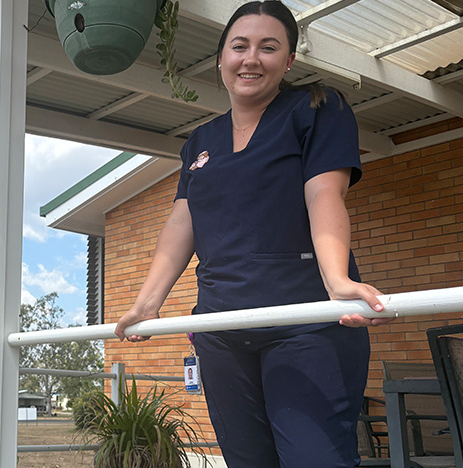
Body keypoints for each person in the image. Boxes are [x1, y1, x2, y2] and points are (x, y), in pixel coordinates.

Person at [113, 2, 394, 467]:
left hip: (305, 325)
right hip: (220, 330)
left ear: (287, 62)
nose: (251, 58)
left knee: (315, 460)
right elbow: (182, 223)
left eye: (269, 47)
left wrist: (337, 282)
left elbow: (324, 195)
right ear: (221, 57)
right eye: (239, 46)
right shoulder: (199, 143)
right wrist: (147, 302)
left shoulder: (317, 109)